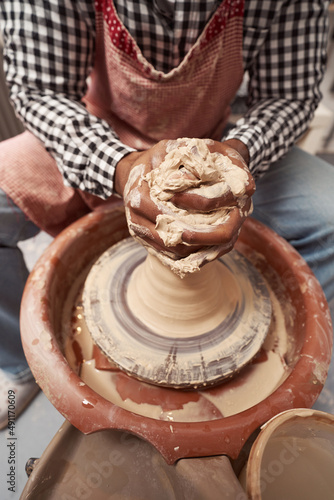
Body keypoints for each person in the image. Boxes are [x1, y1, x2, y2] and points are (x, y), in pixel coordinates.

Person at [0, 0, 333, 427]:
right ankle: (21, 363)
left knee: (329, 217)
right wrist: (121, 168)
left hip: (214, 141)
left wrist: (235, 158)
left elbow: (289, 96)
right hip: (100, 135)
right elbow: (41, 91)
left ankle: (301, 383)